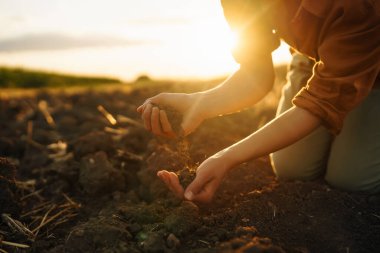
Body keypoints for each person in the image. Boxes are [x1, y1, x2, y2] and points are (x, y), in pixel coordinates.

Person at [137, 0, 380, 203]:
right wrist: (198, 103)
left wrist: (226, 158)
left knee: (352, 179)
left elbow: (318, 105)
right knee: (292, 168)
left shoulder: (358, 5)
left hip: (374, 64)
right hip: (316, 60)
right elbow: (256, 74)